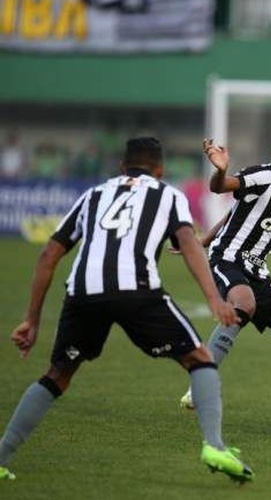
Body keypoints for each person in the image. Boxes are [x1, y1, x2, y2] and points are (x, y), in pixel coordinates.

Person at [0, 137, 252, 483]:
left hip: (83, 293)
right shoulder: (167, 194)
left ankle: (1, 456)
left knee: (57, 375)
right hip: (138, 291)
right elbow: (189, 244)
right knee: (200, 359)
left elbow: (48, 256)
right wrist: (213, 299)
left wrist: (31, 319)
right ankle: (214, 445)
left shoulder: (94, 195)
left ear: (122, 167)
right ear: (160, 170)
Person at [178, 125, 271, 429]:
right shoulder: (265, 176)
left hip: (258, 270)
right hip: (228, 260)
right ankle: (200, 384)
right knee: (244, 302)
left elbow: (238, 212)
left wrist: (202, 238)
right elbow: (221, 188)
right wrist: (220, 171)